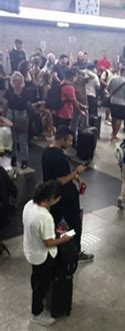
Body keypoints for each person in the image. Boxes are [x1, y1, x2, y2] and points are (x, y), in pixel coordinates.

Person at [23, 180, 73, 327]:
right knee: (42, 283)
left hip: (31, 249)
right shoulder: (45, 217)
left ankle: (37, 298)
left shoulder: (29, 205)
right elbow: (48, 242)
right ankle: (36, 313)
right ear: (51, 198)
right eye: (57, 198)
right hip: (42, 255)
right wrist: (64, 238)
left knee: (36, 277)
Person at [41, 126, 93, 263]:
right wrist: (77, 172)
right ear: (62, 139)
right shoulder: (57, 156)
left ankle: (59, 248)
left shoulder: (47, 151)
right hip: (65, 197)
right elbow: (62, 180)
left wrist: (77, 179)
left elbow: (62, 173)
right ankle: (74, 251)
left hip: (53, 196)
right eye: (69, 141)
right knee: (75, 224)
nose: (71, 143)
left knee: (57, 223)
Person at [4, 72, 30, 169]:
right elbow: (6, 104)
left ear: (22, 81)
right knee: (12, 139)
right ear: (12, 81)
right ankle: (13, 157)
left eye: (18, 80)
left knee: (23, 139)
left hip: (22, 115)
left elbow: (28, 105)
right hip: (10, 114)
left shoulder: (25, 92)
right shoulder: (9, 91)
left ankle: (24, 160)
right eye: (15, 80)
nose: (16, 82)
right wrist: (3, 117)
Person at [107, 67, 125, 141]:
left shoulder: (113, 79)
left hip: (113, 101)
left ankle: (113, 132)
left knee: (113, 117)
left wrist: (113, 94)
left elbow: (108, 88)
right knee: (119, 119)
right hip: (122, 103)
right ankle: (114, 135)